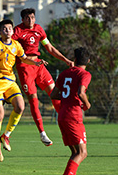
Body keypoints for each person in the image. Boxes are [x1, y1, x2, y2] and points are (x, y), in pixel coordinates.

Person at [0, 19, 47, 162]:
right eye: (5, 29)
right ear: (0, 32)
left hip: (10, 81)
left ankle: (5, 135)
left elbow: (24, 58)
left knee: (20, 106)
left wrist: (36, 62)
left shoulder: (16, 45)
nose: (8, 31)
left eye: (10, 29)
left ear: (13, 31)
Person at [12, 8, 74, 146]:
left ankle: (67, 127)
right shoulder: (17, 31)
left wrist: (66, 60)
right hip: (24, 67)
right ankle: (42, 133)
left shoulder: (39, 29)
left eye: (33, 17)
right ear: (22, 19)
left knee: (55, 95)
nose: (31, 20)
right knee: (34, 100)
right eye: (28, 18)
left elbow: (50, 48)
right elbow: (7, 46)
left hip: (39, 66)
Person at [50, 47, 91, 175]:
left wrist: (67, 97)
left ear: (75, 59)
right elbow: (81, 93)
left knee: (75, 152)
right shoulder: (85, 74)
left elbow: (53, 95)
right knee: (82, 152)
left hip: (62, 116)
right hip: (74, 116)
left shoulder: (64, 73)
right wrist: (87, 104)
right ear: (88, 61)